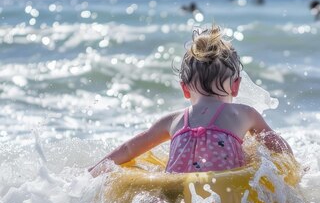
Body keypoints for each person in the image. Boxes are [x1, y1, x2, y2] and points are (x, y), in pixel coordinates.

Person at [90, 25, 292, 175]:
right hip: (226, 193)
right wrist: (298, 169)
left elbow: (127, 149)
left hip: (176, 192)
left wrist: (92, 172)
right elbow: (277, 146)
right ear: (236, 86)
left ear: (185, 89)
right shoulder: (244, 114)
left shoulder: (172, 121)